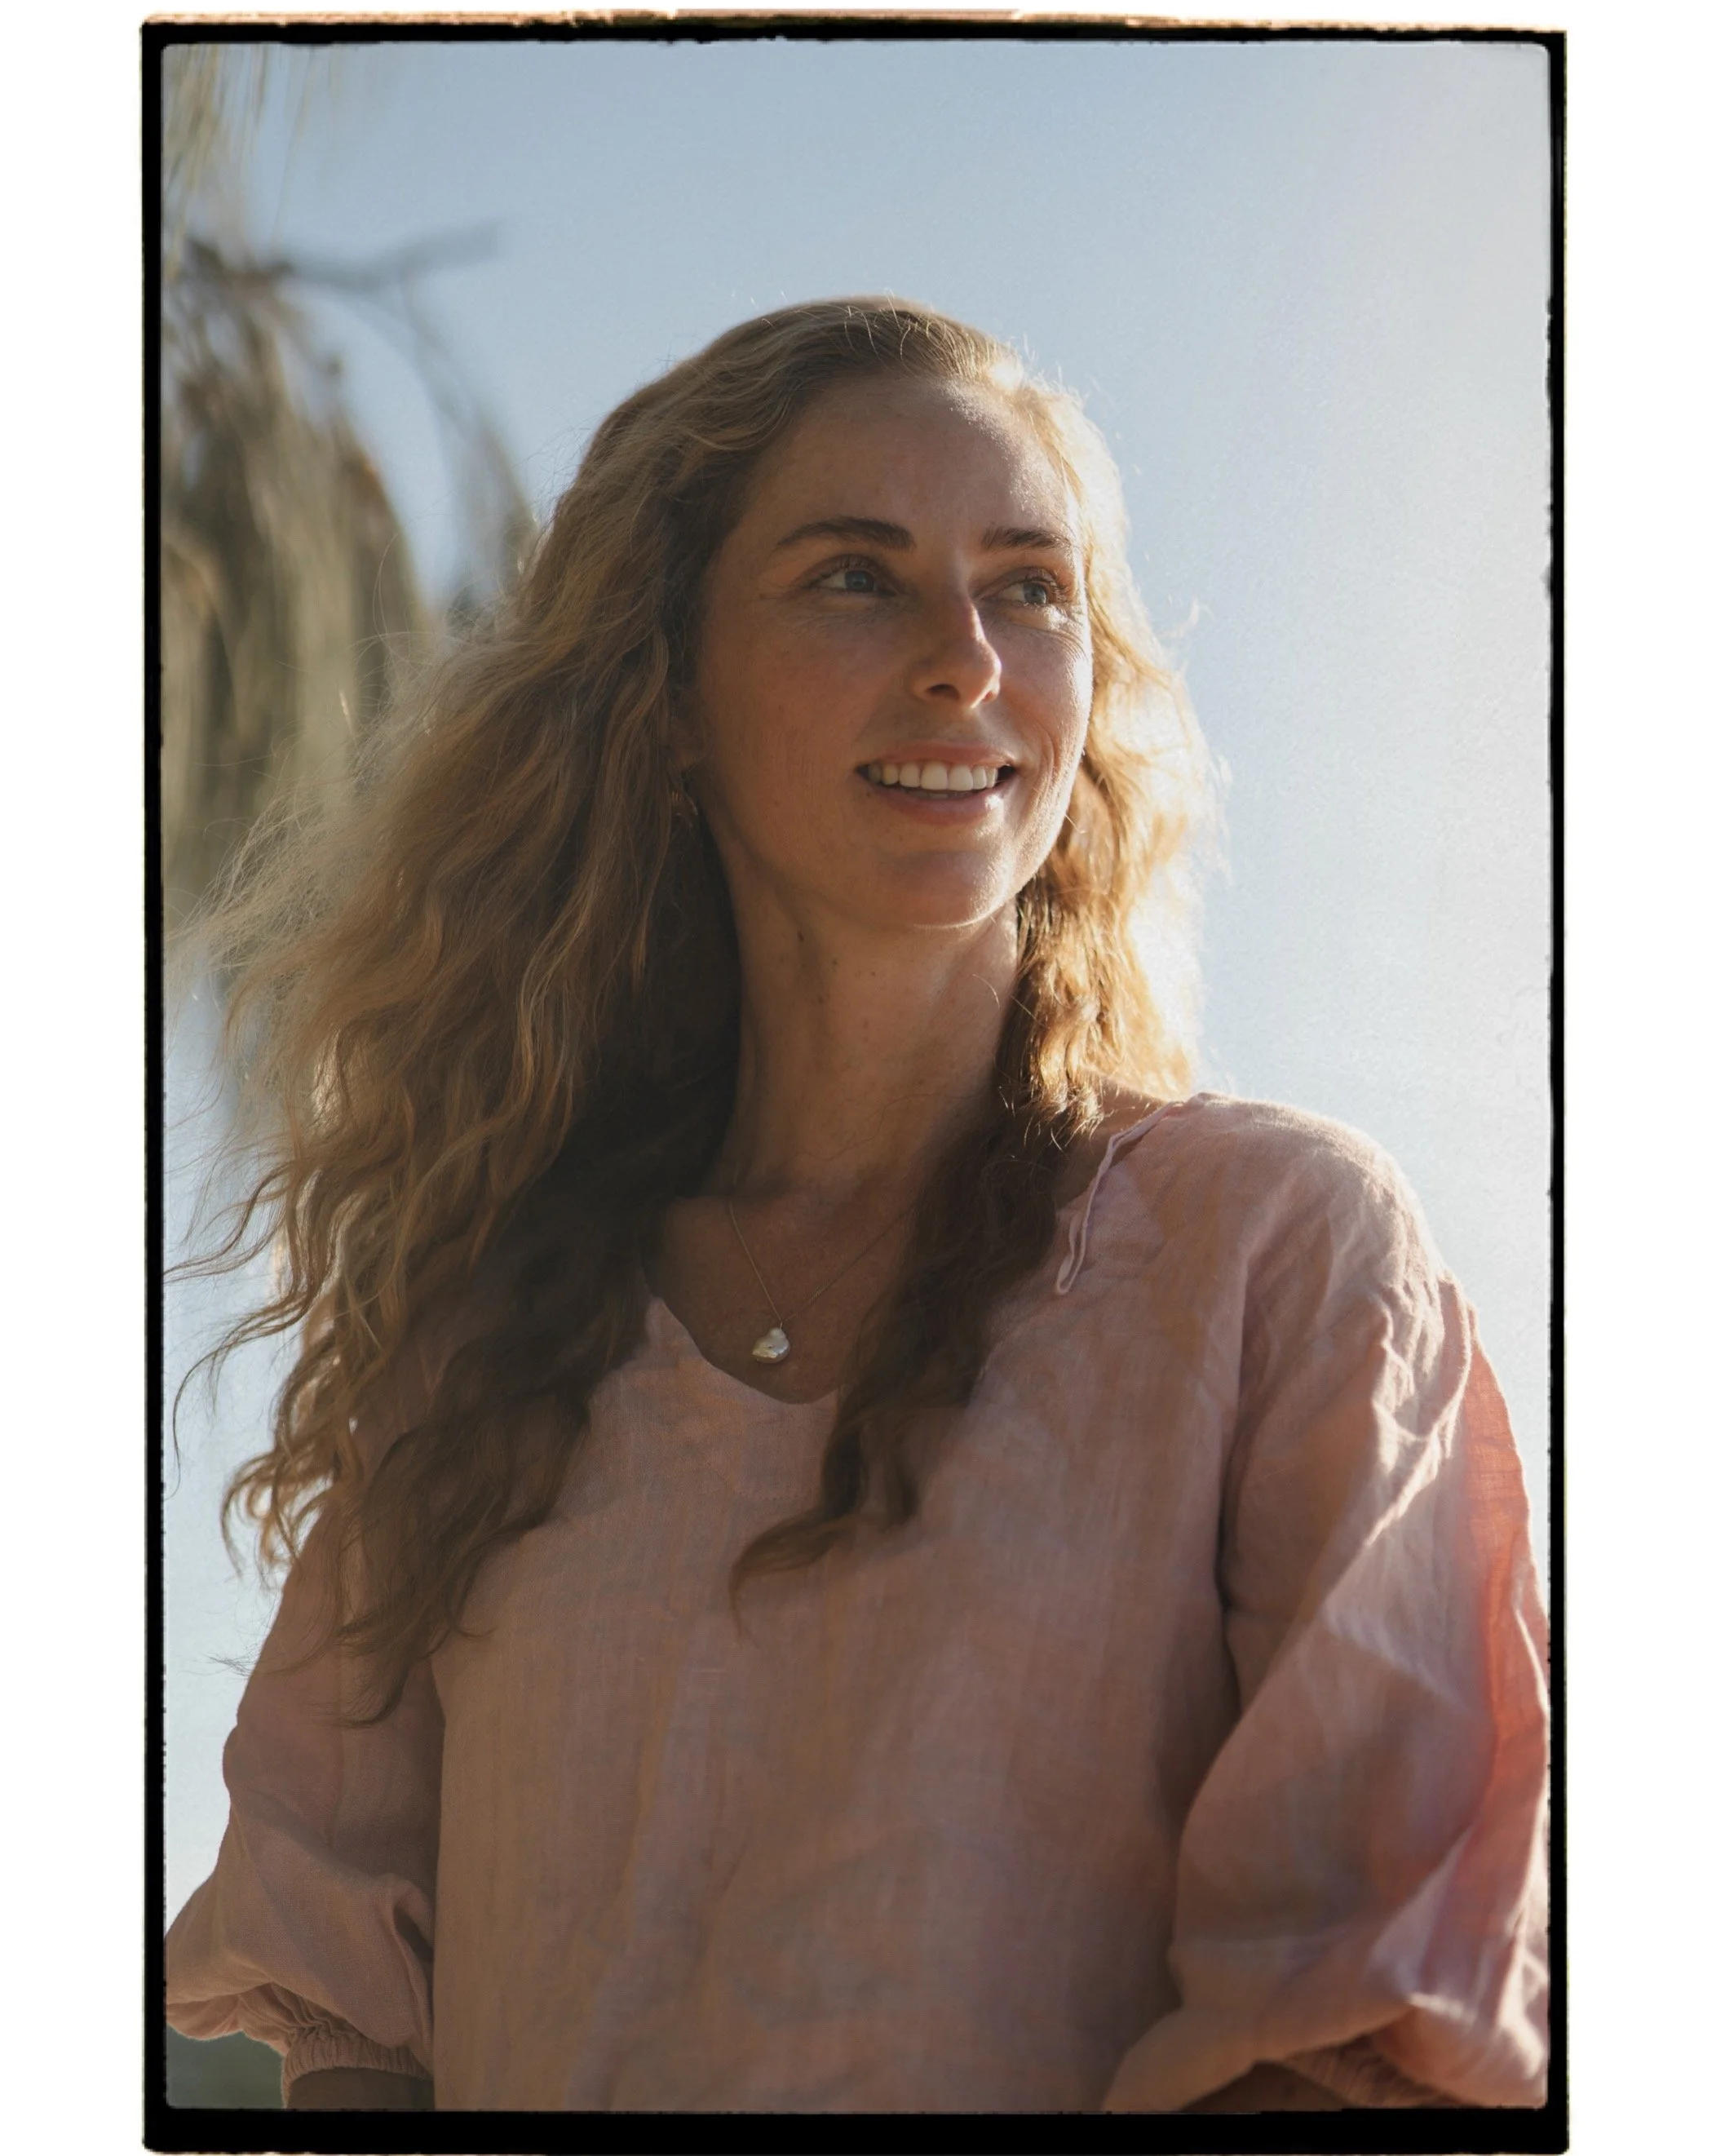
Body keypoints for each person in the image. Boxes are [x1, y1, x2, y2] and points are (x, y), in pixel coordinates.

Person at [165, 299, 1549, 2115]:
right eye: (854, 578)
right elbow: (353, 2042)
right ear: (663, 699)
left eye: (1029, 587)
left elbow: (1360, 2028)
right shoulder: (475, 1348)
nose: (966, 659)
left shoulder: (1279, 1258)